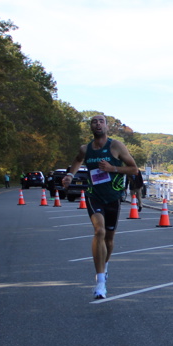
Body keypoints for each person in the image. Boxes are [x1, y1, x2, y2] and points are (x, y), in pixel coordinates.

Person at [62, 114, 139, 300]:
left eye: (101, 121)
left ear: (106, 126)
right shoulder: (85, 149)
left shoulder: (116, 146)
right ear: (91, 127)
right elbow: (77, 160)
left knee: (109, 239)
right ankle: (100, 282)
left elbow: (134, 169)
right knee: (99, 232)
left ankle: (105, 266)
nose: (98, 124)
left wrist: (113, 169)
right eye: (94, 122)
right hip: (93, 195)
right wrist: (70, 175)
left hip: (113, 196)